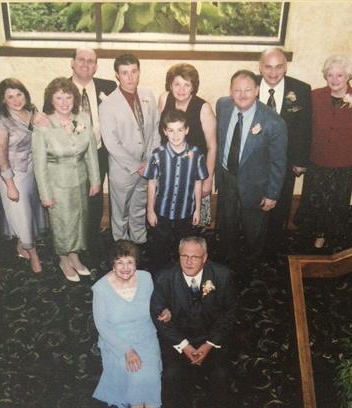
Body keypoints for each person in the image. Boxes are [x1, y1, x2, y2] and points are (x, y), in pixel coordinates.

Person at [42, 48, 117, 253]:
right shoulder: (60, 89)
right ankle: (70, 243)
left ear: (96, 65)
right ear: (72, 62)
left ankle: (91, 239)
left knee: (94, 198)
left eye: (91, 61)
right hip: (68, 158)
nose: (85, 64)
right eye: (81, 60)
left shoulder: (109, 86)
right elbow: (46, 118)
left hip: (100, 151)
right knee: (71, 203)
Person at [295, 55, 352, 249]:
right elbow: (305, 129)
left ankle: (325, 238)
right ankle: (308, 234)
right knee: (314, 200)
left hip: (343, 164)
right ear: (325, 76)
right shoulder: (314, 96)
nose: (334, 80)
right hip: (317, 161)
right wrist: (300, 158)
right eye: (330, 75)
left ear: (348, 77)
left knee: (334, 204)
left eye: (340, 75)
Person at [150, 236, 237, 408]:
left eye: (195, 257)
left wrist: (210, 343)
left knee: (221, 376)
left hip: (211, 337)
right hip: (178, 339)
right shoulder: (164, 278)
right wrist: (184, 345)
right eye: (184, 256)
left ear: (205, 258)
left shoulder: (223, 276)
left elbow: (230, 313)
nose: (189, 262)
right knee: (170, 376)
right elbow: (158, 316)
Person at [216, 69, 287, 266]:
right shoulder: (222, 105)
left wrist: (272, 194)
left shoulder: (273, 122)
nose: (242, 94)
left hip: (256, 185)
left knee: (253, 232)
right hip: (227, 178)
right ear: (230, 91)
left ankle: (251, 267)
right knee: (226, 226)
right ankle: (227, 264)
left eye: (248, 89)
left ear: (257, 90)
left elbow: (278, 162)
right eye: (237, 90)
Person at [32, 78, 100, 282]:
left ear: (75, 98)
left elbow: (91, 153)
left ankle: (74, 255)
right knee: (62, 223)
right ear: (51, 100)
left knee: (79, 219)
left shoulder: (84, 119)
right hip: (56, 184)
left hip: (80, 181)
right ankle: (63, 258)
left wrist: (95, 180)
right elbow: (39, 163)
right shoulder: (43, 124)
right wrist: (45, 194)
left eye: (68, 97)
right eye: (58, 97)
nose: (64, 102)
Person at [92, 240, 166, 408]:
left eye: (129, 262)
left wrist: (164, 310)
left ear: (136, 263)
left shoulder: (146, 279)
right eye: (120, 263)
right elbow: (102, 326)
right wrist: (128, 351)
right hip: (117, 341)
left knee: (152, 374)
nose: (125, 268)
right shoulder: (101, 288)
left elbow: (155, 305)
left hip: (146, 336)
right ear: (113, 265)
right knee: (136, 374)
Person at [99, 53, 160, 245]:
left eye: (134, 71)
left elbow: (156, 129)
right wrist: (136, 165)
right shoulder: (108, 105)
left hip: (146, 166)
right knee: (121, 213)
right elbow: (111, 142)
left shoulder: (148, 95)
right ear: (117, 75)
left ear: (139, 72)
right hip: (123, 170)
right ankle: (121, 248)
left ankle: (140, 243)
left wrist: (149, 161)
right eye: (125, 73)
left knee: (139, 209)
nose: (130, 77)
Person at [258, 48, 312, 254]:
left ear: (286, 67)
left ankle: (272, 248)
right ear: (260, 67)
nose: (273, 72)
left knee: (280, 205)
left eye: (278, 67)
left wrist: (301, 160)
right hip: (254, 160)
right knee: (252, 205)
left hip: (285, 161)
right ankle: (252, 243)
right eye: (268, 67)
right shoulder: (248, 85)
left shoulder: (301, 89)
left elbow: (305, 127)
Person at [0, 78, 45, 273]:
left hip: (31, 173)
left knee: (29, 215)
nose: (16, 100)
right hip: (12, 176)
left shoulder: (32, 112)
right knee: (21, 215)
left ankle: (22, 245)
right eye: (10, 97)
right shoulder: (0, 121)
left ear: (25, 93)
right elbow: (0, 157)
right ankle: (34, 255)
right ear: (3, 100)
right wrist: (10, 185)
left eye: (19, 94)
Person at [144, 109, 208, 268]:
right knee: (160, 248)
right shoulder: (158, 154)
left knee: (183, 247)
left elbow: (198, 183)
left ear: (187, 130)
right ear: (165, 131)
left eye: (180, 130)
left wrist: (198, 210)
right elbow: (152, 183)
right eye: (171, 130)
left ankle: (180, 275)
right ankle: (160, 276)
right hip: (162, 211)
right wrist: (150, 210)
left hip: (185, 211)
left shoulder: (197, 154)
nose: (176, 135)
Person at [158, 63, 217, 227]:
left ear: (193, 87)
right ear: (170, 85)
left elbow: (212, 147)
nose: (181, 89)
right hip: (168, 170)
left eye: (187, 84)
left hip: (194, 174)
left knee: (192, 221)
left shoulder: (203, 108)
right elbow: (160, 135)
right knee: (167, 217)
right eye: (177, 84)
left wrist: (208, 179)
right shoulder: (164, 99)